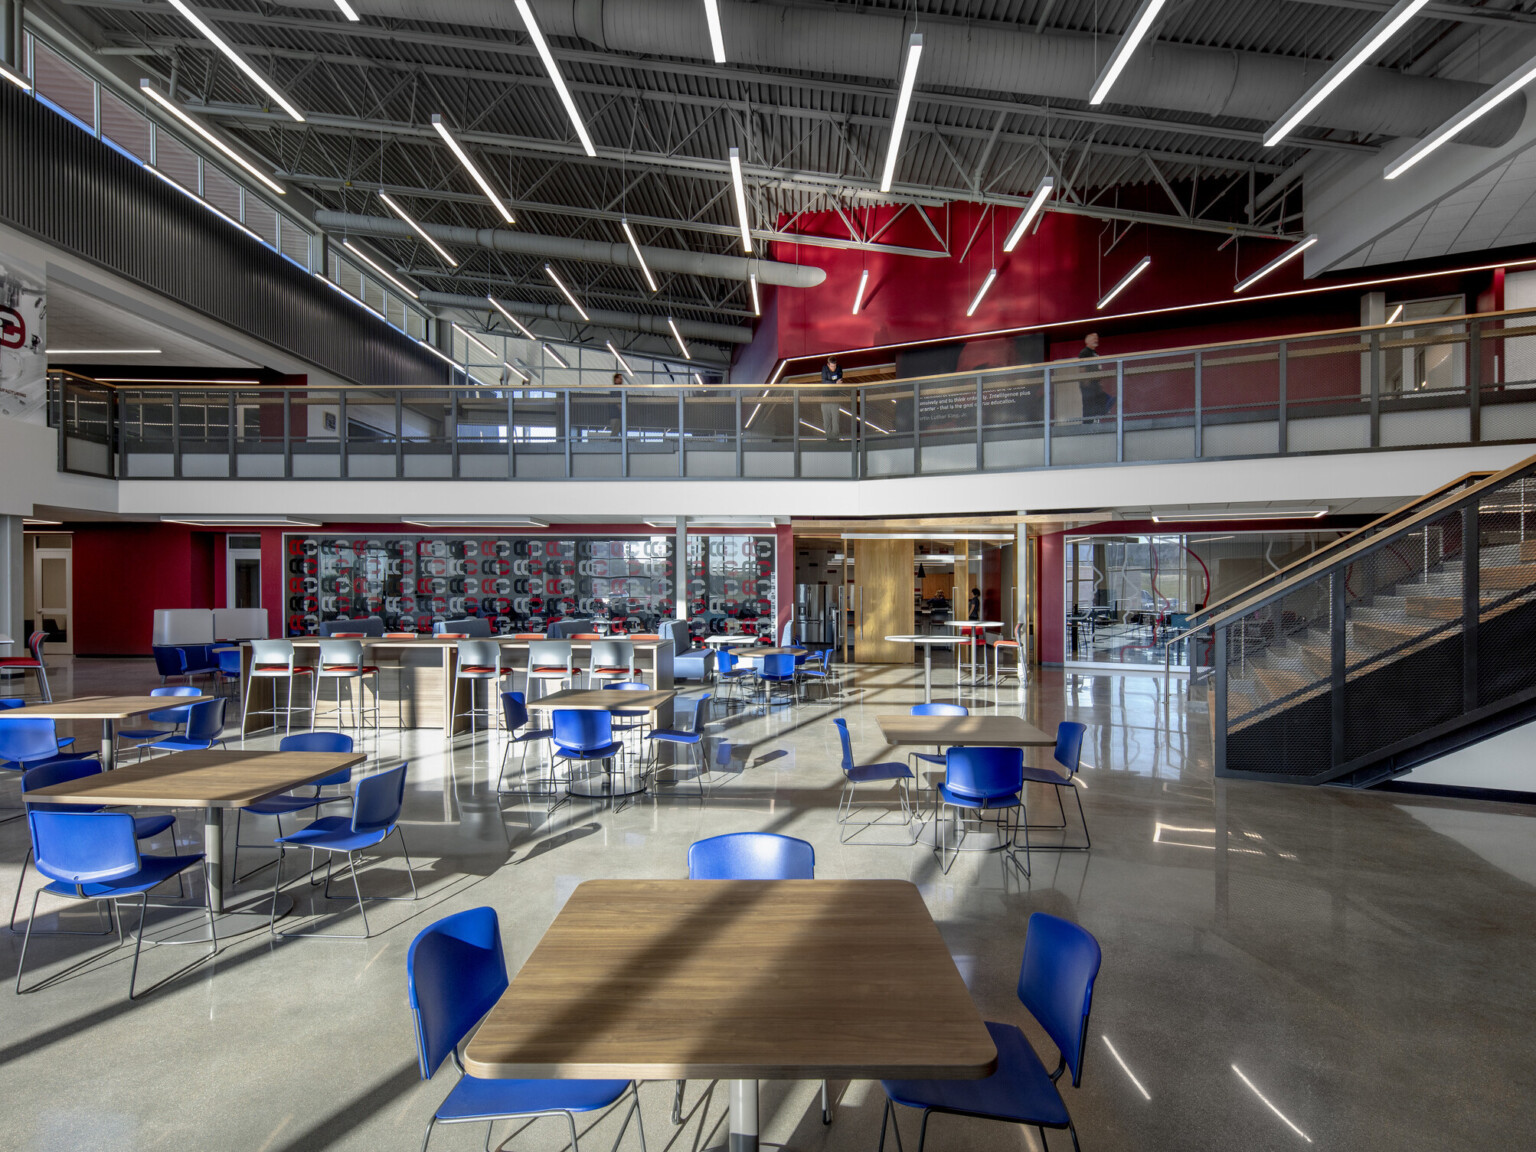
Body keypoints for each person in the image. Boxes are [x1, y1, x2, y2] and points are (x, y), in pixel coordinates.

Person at [1076, 332, 1115, 420]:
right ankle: (1087, 423)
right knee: (1088, 404)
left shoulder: (1094, 353)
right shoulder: (1084, 352)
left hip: (1094, 381)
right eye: (1094, 338)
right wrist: (1086, 381)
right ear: (1088, 341)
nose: (1096, 340)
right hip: (1088, 382)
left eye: (1097, 338)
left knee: (1100, 399)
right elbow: (1082, 368)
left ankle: (1099, 414)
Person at [819, 357, 843, 442]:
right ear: (828, 365)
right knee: (826, 421)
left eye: (835, 366)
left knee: (835, 420)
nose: (833, 368)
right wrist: (834, 383)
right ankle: (829, 438)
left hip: (835, 398)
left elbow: (839, 381)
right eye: (832, 366)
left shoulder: (839, 368)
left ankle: (835, 438)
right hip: (825, 398)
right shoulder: (824, 369)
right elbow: (824, 382)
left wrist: (832, 383)